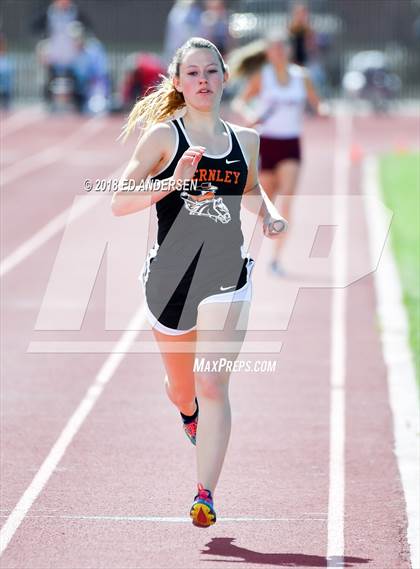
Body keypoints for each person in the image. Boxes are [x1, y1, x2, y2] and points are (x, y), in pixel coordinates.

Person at [112, 37, 287, 527]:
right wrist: (172, 179)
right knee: (182, 389)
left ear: (225, 78)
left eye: (211, 72)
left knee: (213, 383)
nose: (203, 81)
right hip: (170, 280)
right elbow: (119, 201)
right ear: (177, 82)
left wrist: (270, 215)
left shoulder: (245, 141)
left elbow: (249, 188)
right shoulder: (162, 139)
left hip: (225, 275)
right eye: (192, 73)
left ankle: (205, 493)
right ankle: (186, 413)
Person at [230, 33, 325, 276]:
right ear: (268, 53)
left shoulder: (300, 77)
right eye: (274, 48)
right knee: (265, 205)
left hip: (291, 144)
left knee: (287, 199)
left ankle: (276, 259)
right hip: (267, 143)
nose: (279, 51)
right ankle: (244, 252)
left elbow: (317, 103)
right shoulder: (264, 76)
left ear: (288, 50)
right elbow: (239, 102)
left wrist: (324, 110)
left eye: (282, 47)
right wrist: (250, 116)